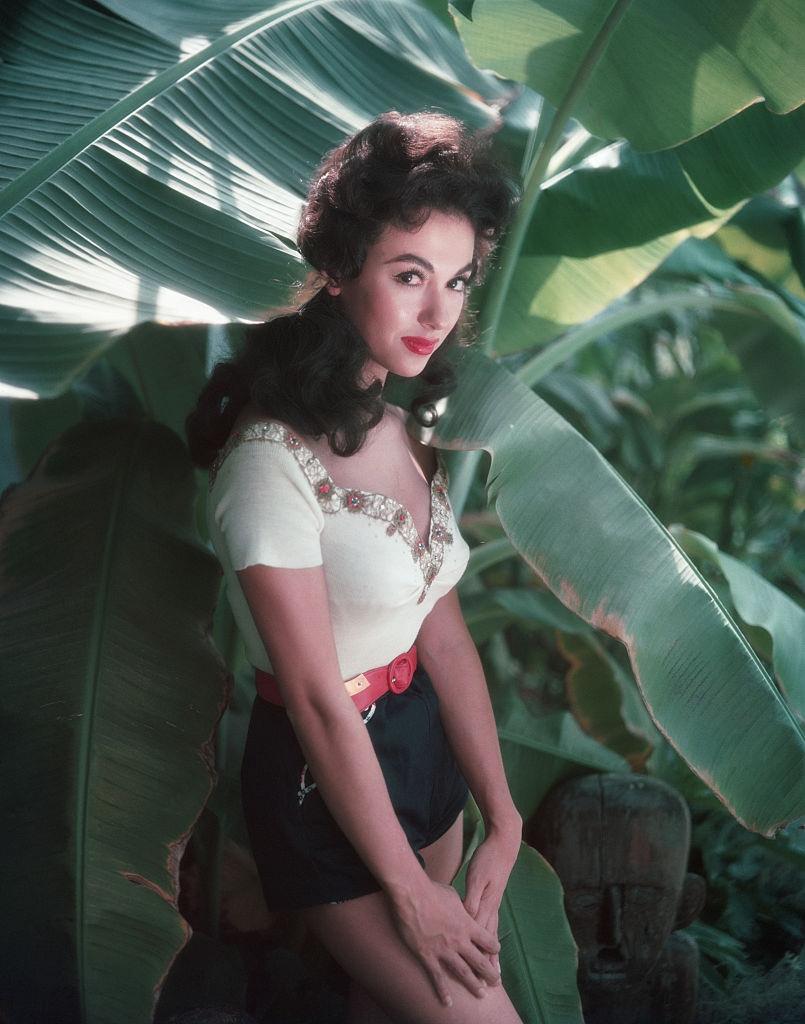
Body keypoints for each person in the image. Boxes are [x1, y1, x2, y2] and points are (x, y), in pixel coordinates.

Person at [186, 110, 524, 1024]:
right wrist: (413, 899)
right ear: (338, 273)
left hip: (422, 749)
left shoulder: (401, 426)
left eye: (454, 281)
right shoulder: (269, 461)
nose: (436, 312)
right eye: (408, 275)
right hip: (321, 781)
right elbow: (313, 697)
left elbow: (442, 635)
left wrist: (506, 815)